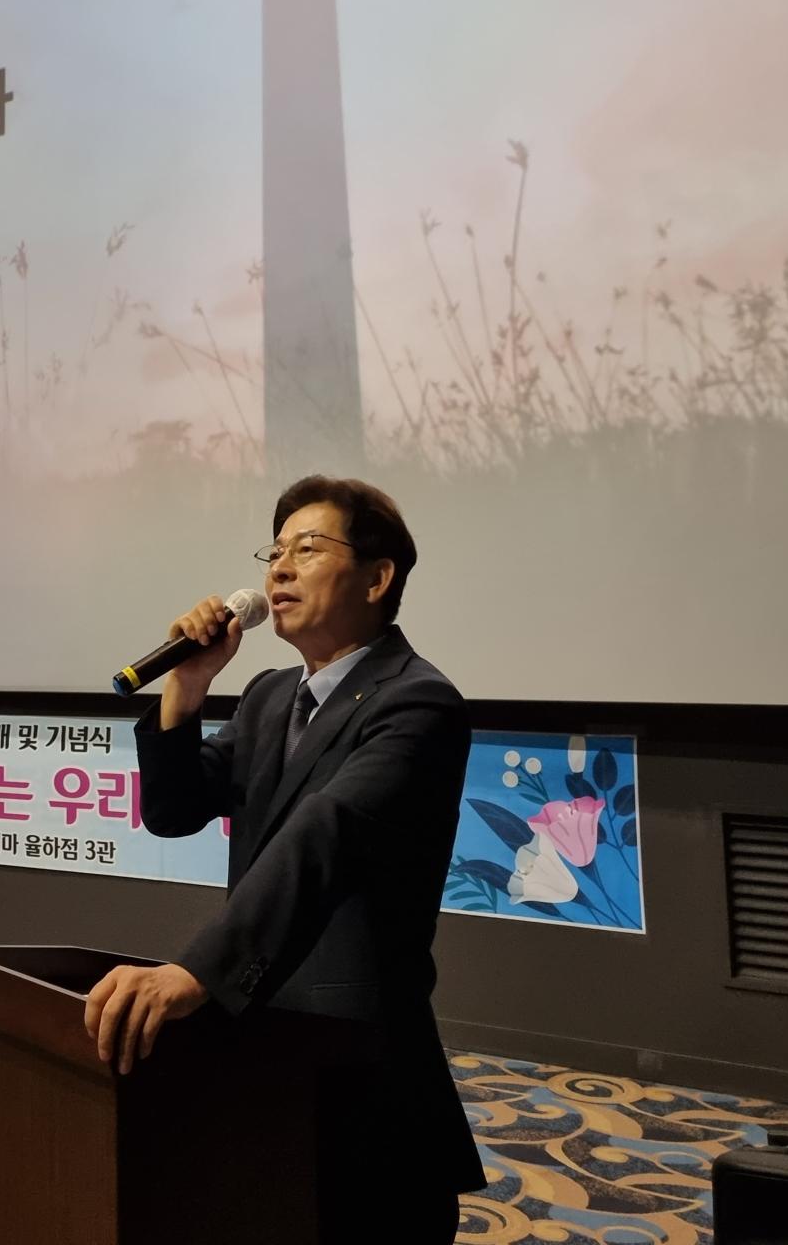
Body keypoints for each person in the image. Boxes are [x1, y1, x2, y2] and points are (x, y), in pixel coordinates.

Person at [82, 474, 485, 1239]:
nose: (280, 569)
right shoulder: (269, 697)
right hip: (260, 1041)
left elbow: (326, 833)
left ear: (377, 578)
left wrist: (195, 972)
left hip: (359, 1059)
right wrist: (189, 684)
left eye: (308, 548)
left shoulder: (417, 702)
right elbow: (173, 811)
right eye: (274, 553)